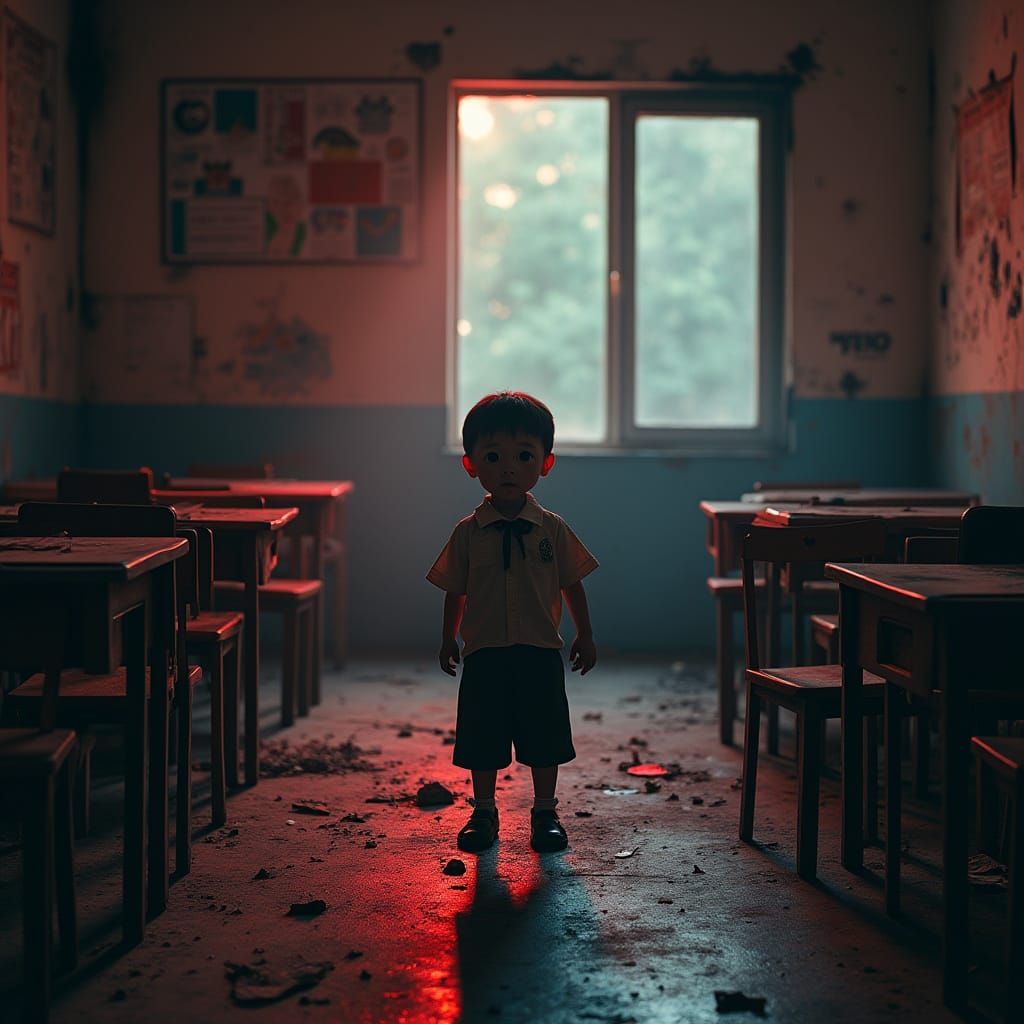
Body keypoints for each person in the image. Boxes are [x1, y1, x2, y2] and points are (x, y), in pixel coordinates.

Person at [426, 391, 598, 853]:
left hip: (540, 650)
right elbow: (455, 590)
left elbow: (572, 584)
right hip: (484, 652)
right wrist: (447, 639)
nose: (508, 468)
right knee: (482, 737)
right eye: (493, 456)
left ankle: (545, 811)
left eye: (524, 456)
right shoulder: (467, 532)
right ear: (470, 465)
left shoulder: (553, 529)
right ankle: (483, 812)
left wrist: (585, 633)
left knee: (545, 737)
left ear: (546, 464)